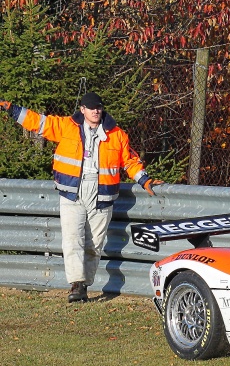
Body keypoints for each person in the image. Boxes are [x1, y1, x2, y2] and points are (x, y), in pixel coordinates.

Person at [1, 92, 162, 302]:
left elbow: (130, 161)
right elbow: (38, 123)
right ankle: (76, 285)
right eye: (91, 108)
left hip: (102, 195)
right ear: (82, 110)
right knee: (72, 239)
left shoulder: (117, 135)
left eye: (99, 108)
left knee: (94, 244)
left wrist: (144, 180)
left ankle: (84, 284)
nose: (96, 111)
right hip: (72, 192)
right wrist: (12, 109)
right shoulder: (67, 126)